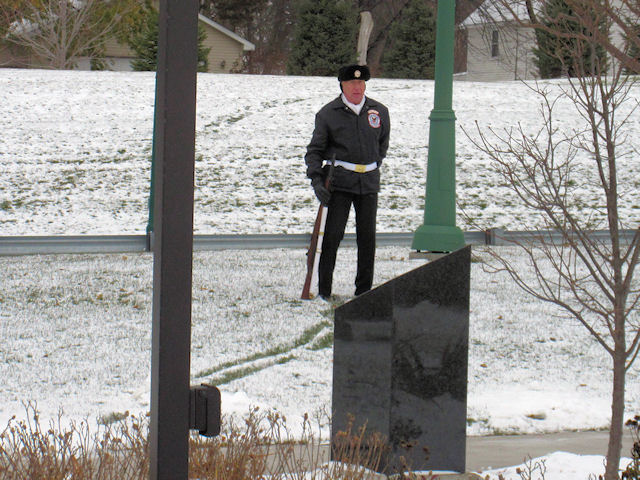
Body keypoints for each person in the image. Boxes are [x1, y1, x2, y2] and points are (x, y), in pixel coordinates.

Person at [305, 64, 390, 300]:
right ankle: (324, 290)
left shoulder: (379, 111)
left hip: (368, 183)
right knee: (332, 237)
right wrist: (317, 180)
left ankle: (364, 291)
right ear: (342, 85)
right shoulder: (328, 114)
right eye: (352, 83)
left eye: (361, 83)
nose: (357, 87)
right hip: (340, 183)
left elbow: (382, 145)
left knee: (367, 238)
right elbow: (314, 151)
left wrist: (373, 163)